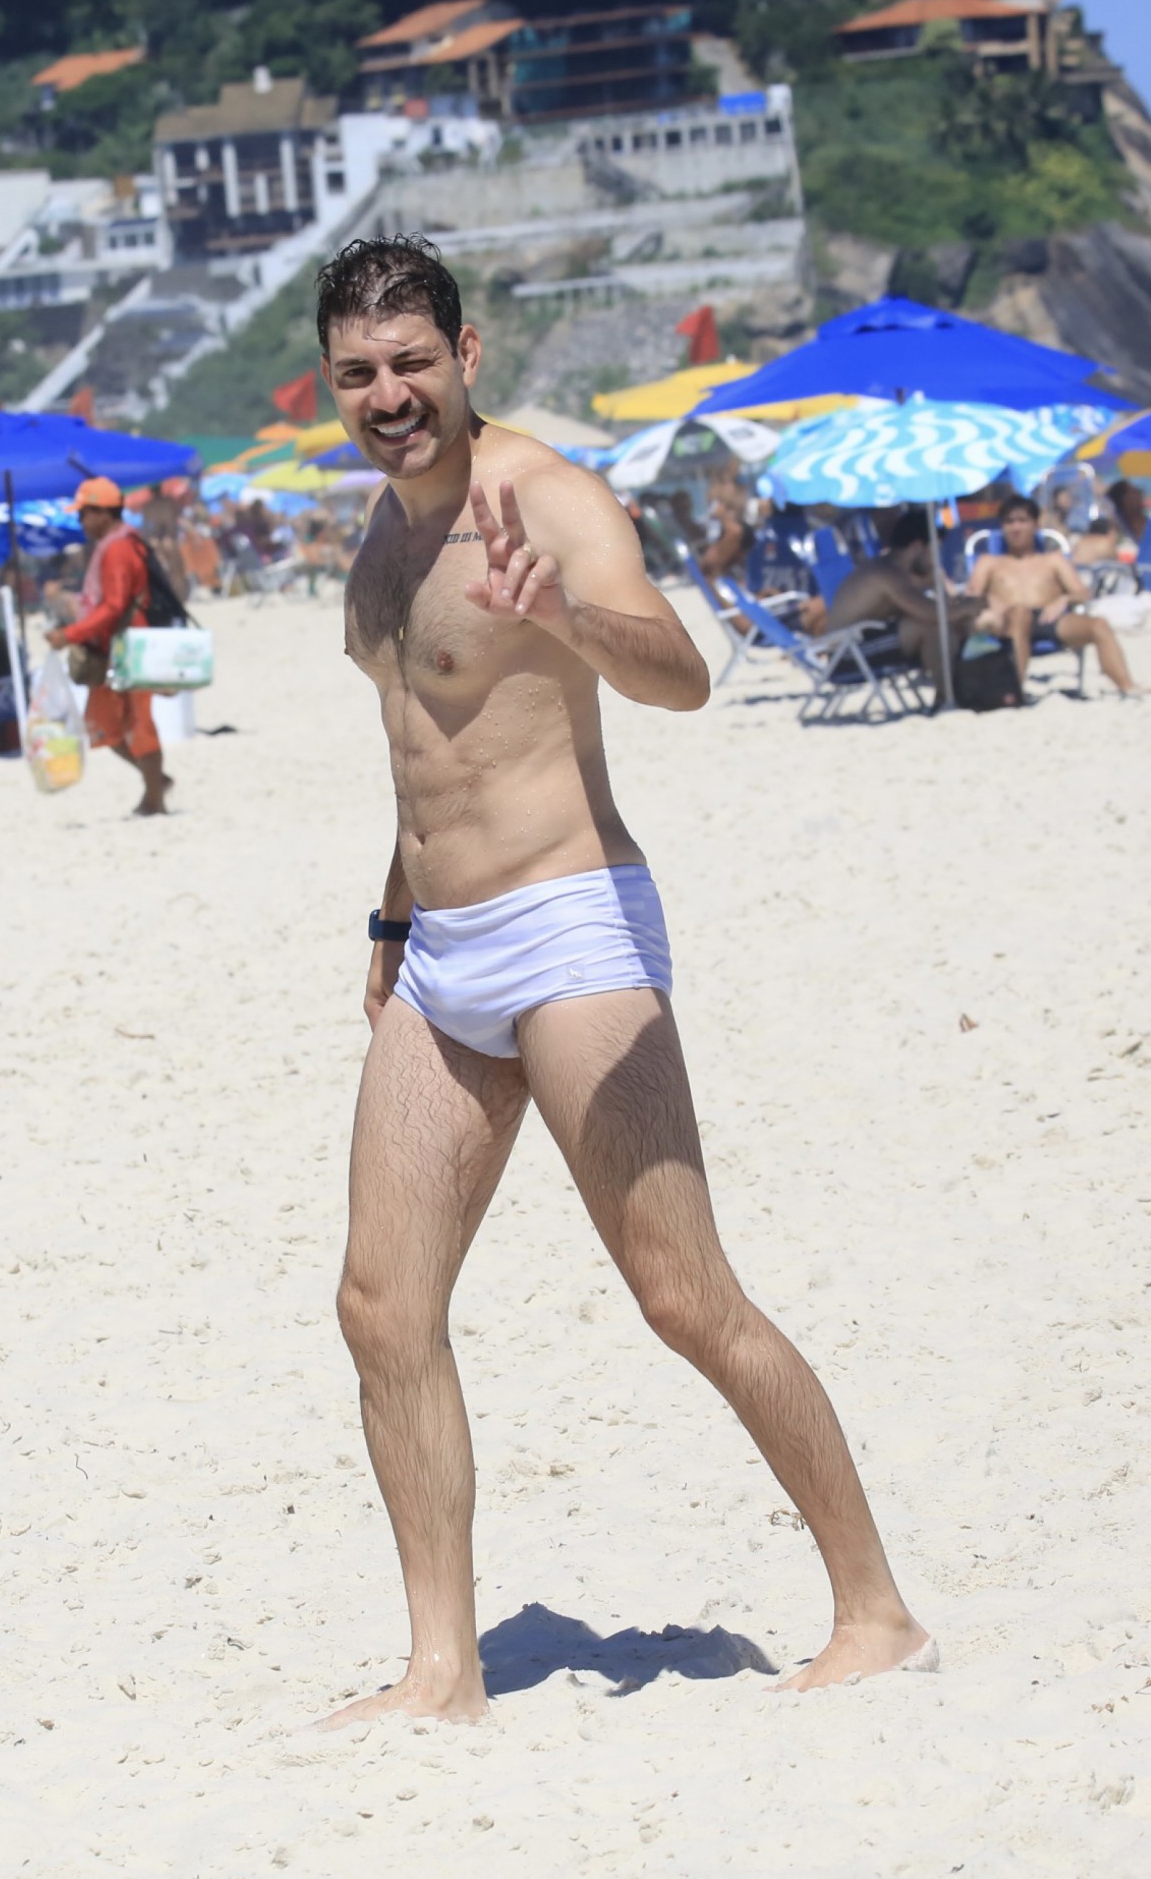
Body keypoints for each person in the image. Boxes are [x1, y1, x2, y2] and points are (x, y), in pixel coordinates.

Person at [314, 233, 933, 1728]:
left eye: (412, 363)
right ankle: (443, 1671)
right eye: (358, 374)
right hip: (444, 955)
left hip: (574, 929)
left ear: (467, 358)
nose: (389, 395)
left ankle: (875, 1609)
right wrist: (392, 929)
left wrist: (562, 615)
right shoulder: (379, 542)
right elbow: (424, 762)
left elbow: (680, 669)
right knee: (381, 1307)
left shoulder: (548, 498)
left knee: (681, 1295)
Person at [44, 476, 171, 814]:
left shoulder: (118, 547)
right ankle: (157, 781)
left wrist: (70, 635)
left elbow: (114, 606)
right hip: (112, 648)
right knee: (103, 726)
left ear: (103, 512)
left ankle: (155, 796)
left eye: (84, 513)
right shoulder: (115, 544)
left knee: (139, 723)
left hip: (130, 647)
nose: (81, 521)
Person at [967, 493, 1145, 698]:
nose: (1016, 528)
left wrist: (1063, 599)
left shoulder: (1053, 560)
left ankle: (1127, 686)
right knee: (1020, 614)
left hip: (1049, 618)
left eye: (1022, 521)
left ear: (1035, 525)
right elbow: (972, 595)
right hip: (1008, 620)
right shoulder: (989, 562)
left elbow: (1082, 593)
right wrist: (991, 600)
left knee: (1099, 625)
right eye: (1009, 522)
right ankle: (1013, 690)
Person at [803, 511, 977, 705]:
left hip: (865, 644)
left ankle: (956, 693)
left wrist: (940, 583)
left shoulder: (902, 572)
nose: (937, 558)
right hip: (847, 656)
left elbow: (946, 602)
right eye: (935, 550)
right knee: (930, 627)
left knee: (948, 623)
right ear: (918, 547)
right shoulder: (885, 575)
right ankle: (949, 697)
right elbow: (929, 612)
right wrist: (967, 608)